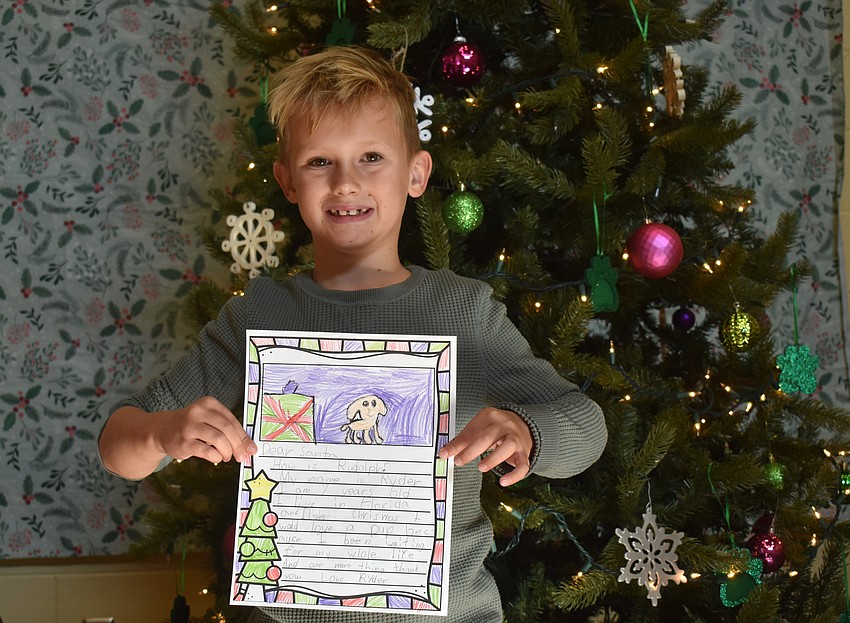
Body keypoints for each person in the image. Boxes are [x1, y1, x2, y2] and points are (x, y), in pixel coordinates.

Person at [98, 45, 607, 623]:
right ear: (287, 181)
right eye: (320, 162)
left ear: (417, 173)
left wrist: (529, 431)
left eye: (371, 157)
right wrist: (165, 432)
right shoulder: (257, 316)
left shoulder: (464, 312)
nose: (345, 183)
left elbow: (586, 425)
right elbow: (119, 444)